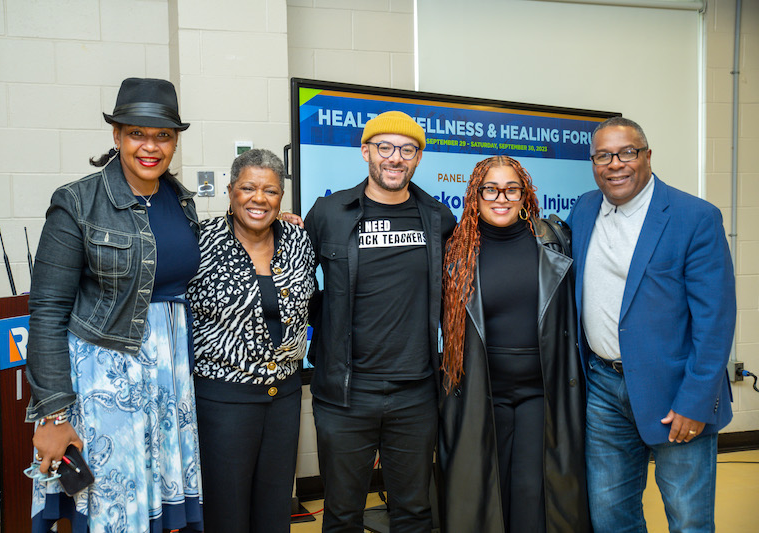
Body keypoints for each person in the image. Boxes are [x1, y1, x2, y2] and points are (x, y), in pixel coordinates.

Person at [25, 78, 204, 532]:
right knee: (114, 511)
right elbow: (46, 312)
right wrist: (54, 414)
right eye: (137, 133)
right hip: (106, 382)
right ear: (117, 135)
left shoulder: (181, 201)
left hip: (170, 381)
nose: (151, 146)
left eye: (163, 135)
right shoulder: (77, 202)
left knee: (162, 514)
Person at [567, 117, 736, 533]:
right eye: (603, 155)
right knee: (610, 517)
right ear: (593, 162)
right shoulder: (585, 209)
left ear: (647, 156)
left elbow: (715, 321)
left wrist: (696, 402)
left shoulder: (694, 217)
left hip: (675, 395)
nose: (615, 164)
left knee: (688, 519)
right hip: (603, 390)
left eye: (627, 153)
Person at [304, 110, 456, 531]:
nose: (395, 158)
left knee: (413, 513)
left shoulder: (438, 218)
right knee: (342, 515)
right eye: (385, 147)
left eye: (407, 149)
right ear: (366, 151)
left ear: (418, 158)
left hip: (416, 393)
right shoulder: (329, 212)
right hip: (345, 394)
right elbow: (294, 277)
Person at [438, 156, 590, 533]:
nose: (501, 197)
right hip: (480, 390)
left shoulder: (556, 241)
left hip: (541, 391)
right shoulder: (454, 249)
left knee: (532, 491)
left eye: (511, 189)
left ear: (525, 194)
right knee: (486, 494)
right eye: (490, 188)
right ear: (476, 194)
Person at [186, 148, 316, 532]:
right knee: (226, 510)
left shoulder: (298, 240)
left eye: (271, 191)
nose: (259, 198)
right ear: (229, 191)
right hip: (222, 400)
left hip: (285, 397)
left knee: (275, 508)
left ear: (281, 198)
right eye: (248, 188)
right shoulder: (199, 241)